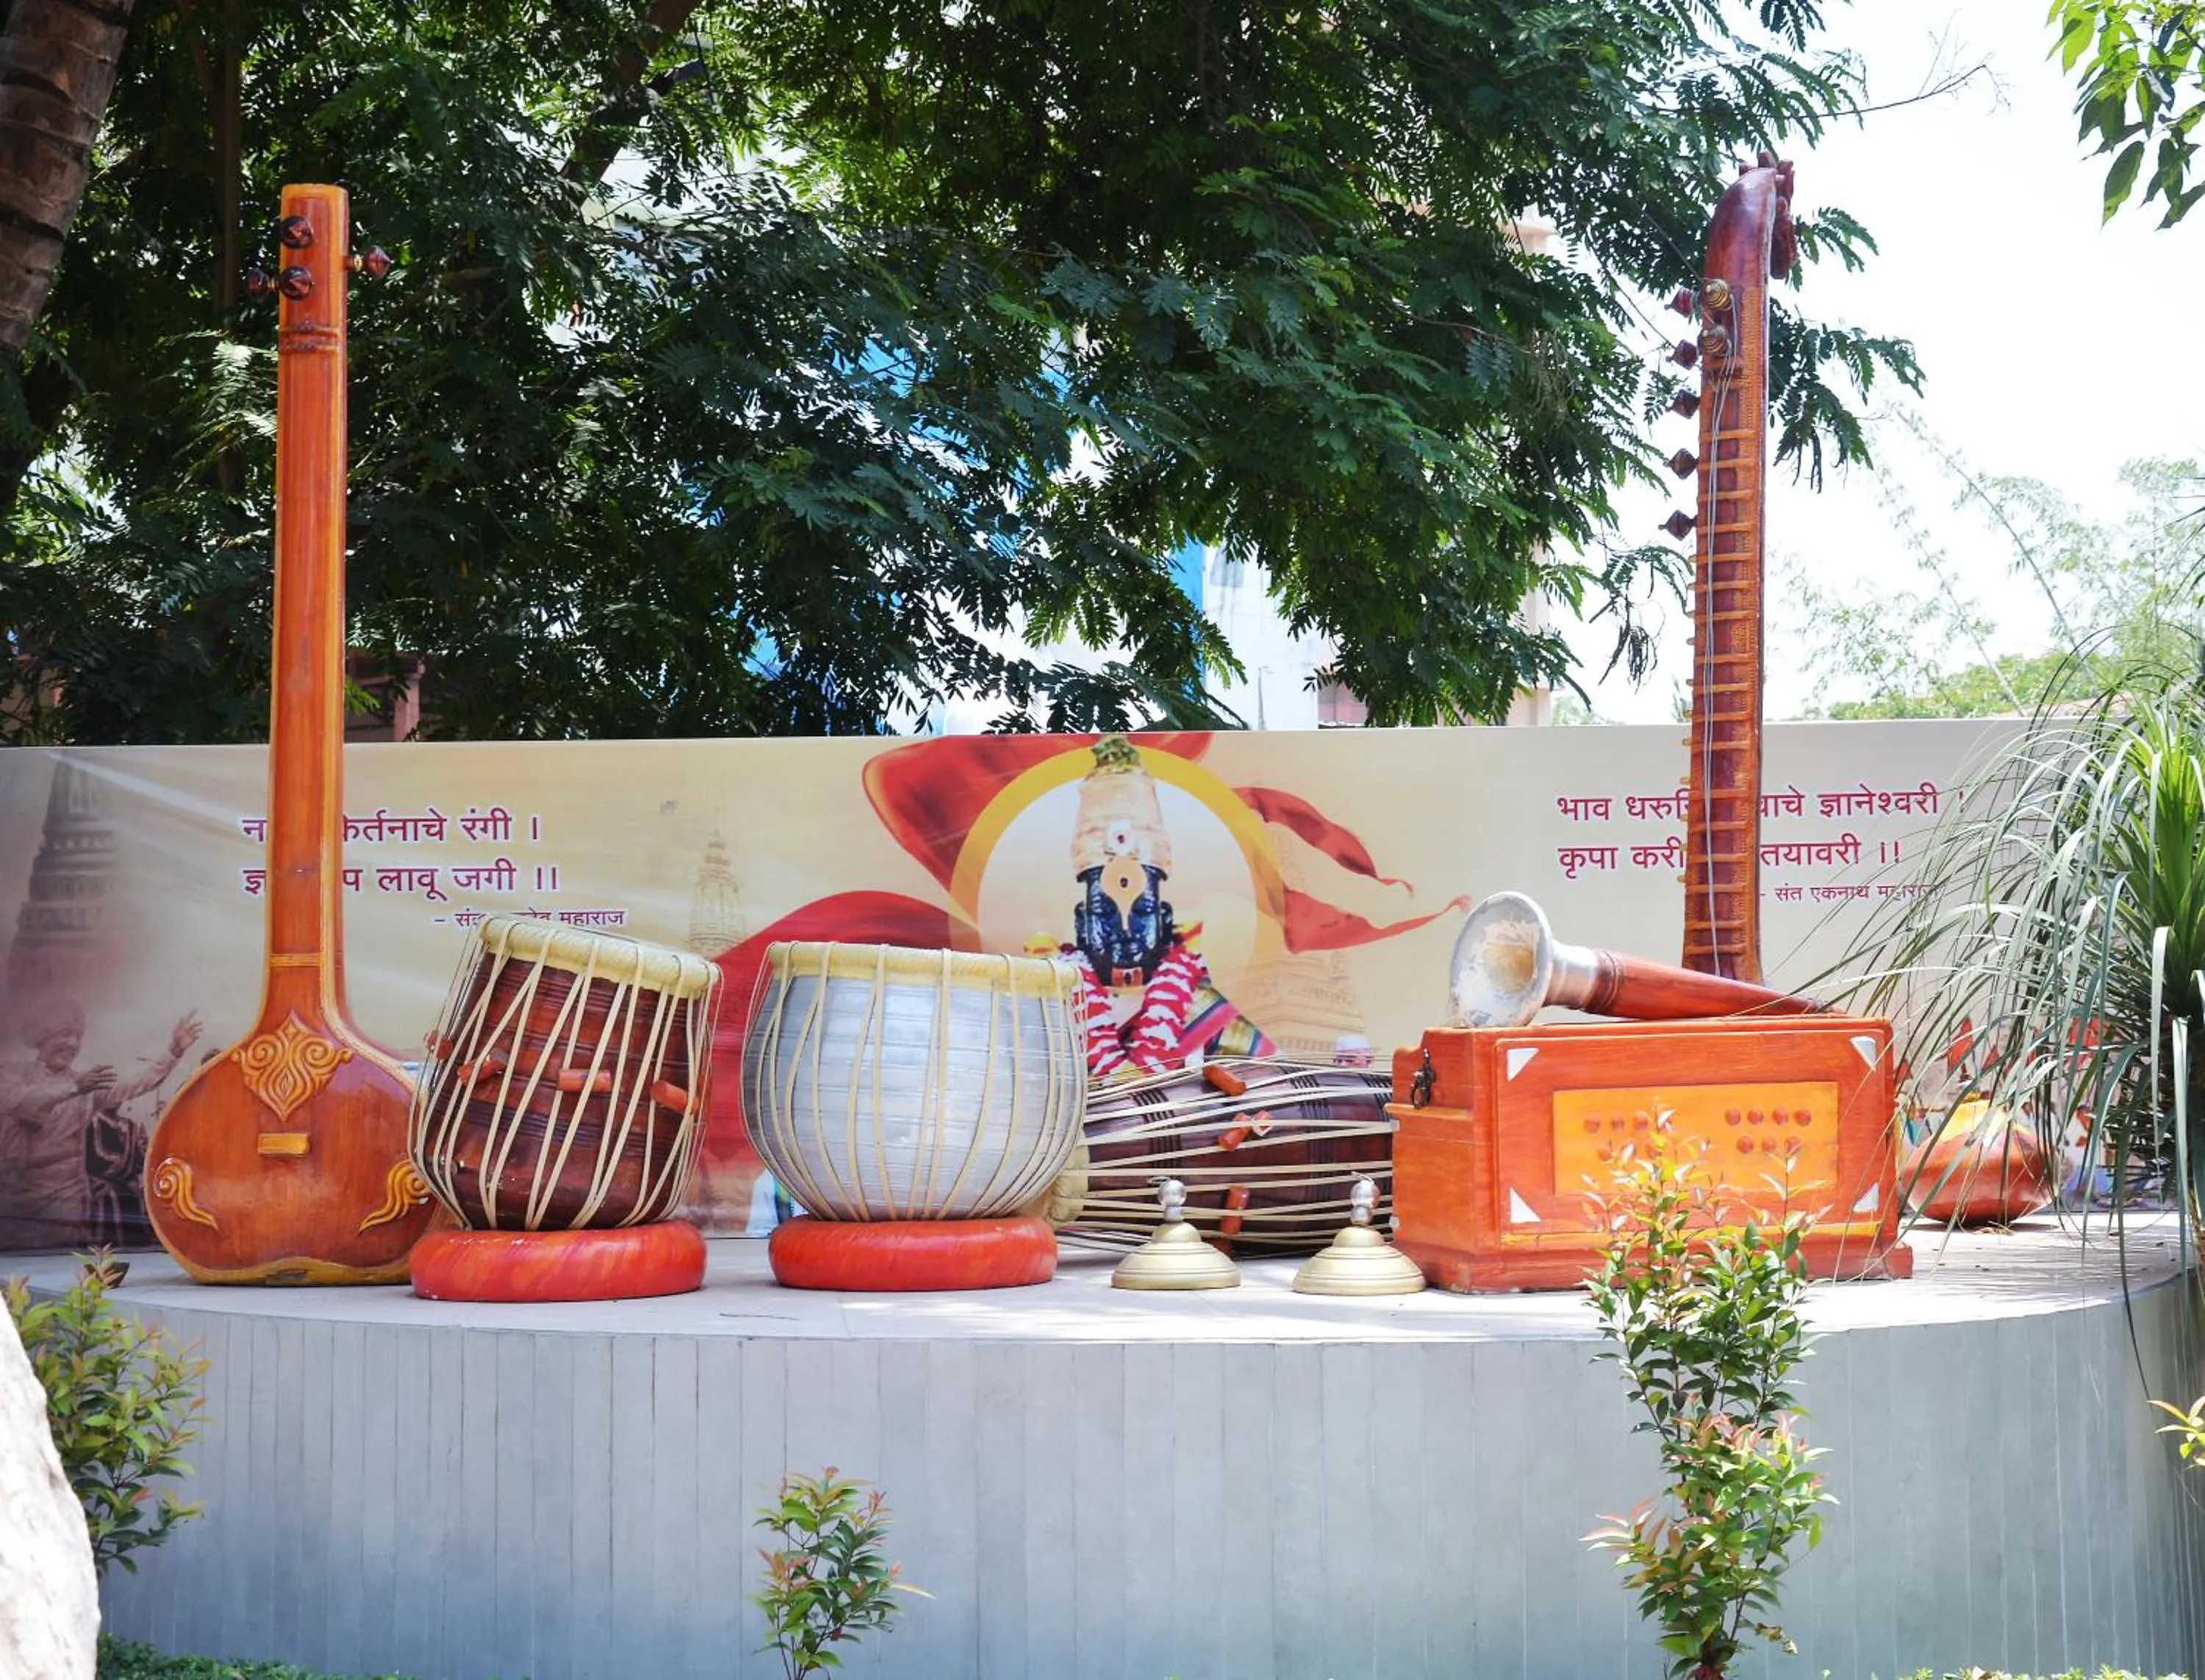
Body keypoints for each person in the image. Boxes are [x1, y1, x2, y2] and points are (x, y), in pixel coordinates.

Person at [1058, 735, 1272, 1078]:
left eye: (1141, 912)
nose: (1125, 932)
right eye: (1105, 913)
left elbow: (1267, 1085)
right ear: (1081, 922)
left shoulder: (1203, 1009)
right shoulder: (1050, 1004)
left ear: (1165, 917)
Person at [0, 1000, 201, 1247]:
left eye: (77, 1037)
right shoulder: (15, 1075)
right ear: (43, 1037)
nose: (73, 1044)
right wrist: (74, 1089)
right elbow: (20, 1102)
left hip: (67, 1194)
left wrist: (173, 1052)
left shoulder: (87, 1084)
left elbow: (136, 1084)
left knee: (61, 1260)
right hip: (18, 1195)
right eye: (65, 1035)